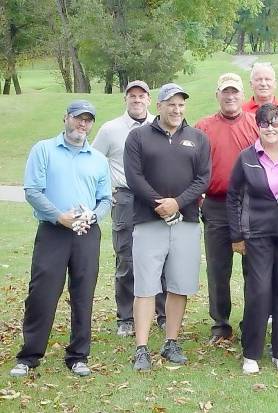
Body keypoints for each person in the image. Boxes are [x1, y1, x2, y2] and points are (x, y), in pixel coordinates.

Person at [10, 100, 111, 378]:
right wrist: (60, 217)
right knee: (42, 293)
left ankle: (78, 356)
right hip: (54, 231)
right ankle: (29, 355)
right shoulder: (44, 150)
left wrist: (92, 216)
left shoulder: (98, 159)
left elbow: (105, 199)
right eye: (78, 118)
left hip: (87, 233)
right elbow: (33, 190)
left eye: (88, 120)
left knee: (83, 294)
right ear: (66, 118)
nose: (83, 124)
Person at [124, 83, 211, 371]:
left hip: (185, 222)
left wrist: (178, 202)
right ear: (158, 106)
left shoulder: (197, 138)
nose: (176, 109)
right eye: (171, 104)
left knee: (179, 285)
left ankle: (171, 342)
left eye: (181, 104)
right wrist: (158, 203)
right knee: (146, 287)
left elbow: (203, 178)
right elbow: (134, 177)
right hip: (149, 221)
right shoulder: (138, 137)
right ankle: (142, 348)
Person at [227, 104, 278, 374]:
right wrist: (236, 235)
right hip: (256, 235)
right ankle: (251, 353)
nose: (270, 128)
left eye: (276, 123)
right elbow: (233, 197)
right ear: (257, 127)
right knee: (259, 292)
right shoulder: (246, 157)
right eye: (265, 123)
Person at [92, 80, 167, 338]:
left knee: (161, 255)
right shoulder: (110, 129)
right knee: (126, 257)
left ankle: (162, 313)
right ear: (126, 99)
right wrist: (104, 191)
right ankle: (125, 317)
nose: (137, 100)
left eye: (141, 96)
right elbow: (93, 161)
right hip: (124, 197)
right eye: (132, 96)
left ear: (149, 100)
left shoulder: (160, 126)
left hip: (156, 196)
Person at [195, 73, 258, 344]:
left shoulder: (257, 124)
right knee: (218, 268)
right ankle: (220, 324)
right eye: (225, 92)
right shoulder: (203, 127)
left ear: (243, 95)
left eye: (235, 92)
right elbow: (195, 167)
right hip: (217, 205)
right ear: (217, 95)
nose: (230, 97)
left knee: (253, 267)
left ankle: (252, 321)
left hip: (252, 205)